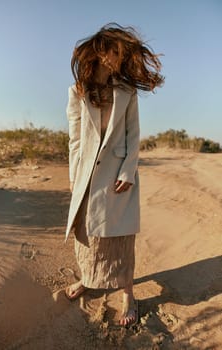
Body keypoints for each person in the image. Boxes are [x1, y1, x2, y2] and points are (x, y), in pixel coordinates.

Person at [65, 23, 164, 327]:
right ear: (101, 52)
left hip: (118, 176)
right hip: (87, 176)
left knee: (120, 239)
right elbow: (76, 139)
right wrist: (74, 178)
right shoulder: (78, 91)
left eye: (122, 54)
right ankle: (87, 278)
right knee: (88, 236)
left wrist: (129, 171)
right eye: (115, 52)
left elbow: (133, 134)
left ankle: (127, 296)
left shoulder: (127, 91)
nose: (119, 58)